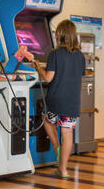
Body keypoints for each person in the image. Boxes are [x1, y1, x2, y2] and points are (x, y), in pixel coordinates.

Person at [34, 20, 85, 179]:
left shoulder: (55, 54)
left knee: (47, 120)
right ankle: (63, 170)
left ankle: (57, 147)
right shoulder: (80, 56)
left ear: (60, 35)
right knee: (67, 132)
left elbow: (48, 78)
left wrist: (38, 66)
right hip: (72, 101)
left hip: (56, 100)